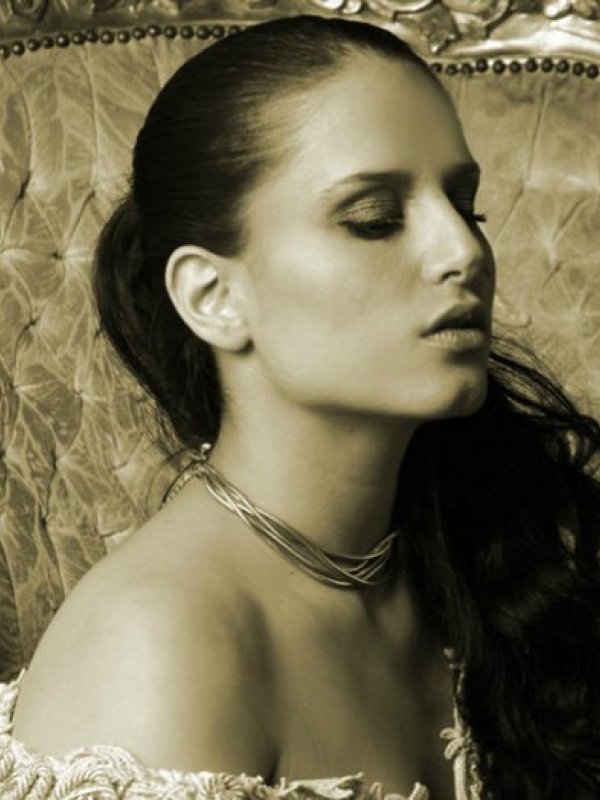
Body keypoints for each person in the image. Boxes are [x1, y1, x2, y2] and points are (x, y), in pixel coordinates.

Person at [1, 14, 599, 800]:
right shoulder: (155, 647)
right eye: (374, 219)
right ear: (213, 297)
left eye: (465, 205)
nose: (463, 252)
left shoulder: (463, 551)